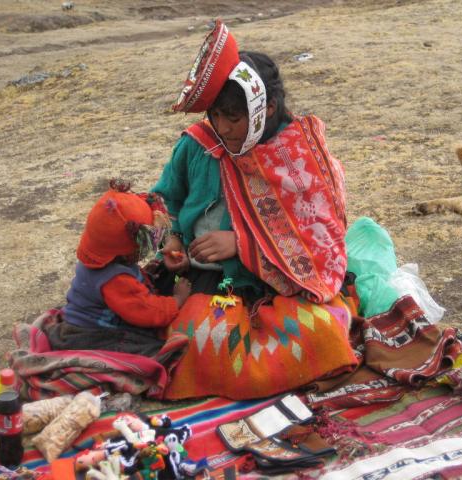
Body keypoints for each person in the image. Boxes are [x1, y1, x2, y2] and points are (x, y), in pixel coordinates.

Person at [150, 20, 359, 400]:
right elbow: (165, 201)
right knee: (198, 337)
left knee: (324, 334)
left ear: (268, 108)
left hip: (279, 280)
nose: (224, 127)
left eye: (235, 117)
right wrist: (175, 240)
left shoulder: (297, 155)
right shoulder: (197, 146)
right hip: (209, 280)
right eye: (215, 115)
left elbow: (318, 235)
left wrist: (241, 242)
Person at [45, 179, 192, 358]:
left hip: (77, 324)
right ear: (128, 250)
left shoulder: (102, 257)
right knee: (156, 353)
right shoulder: (116, 279)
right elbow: (146, 311)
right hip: (91, 336)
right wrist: (177, 299)